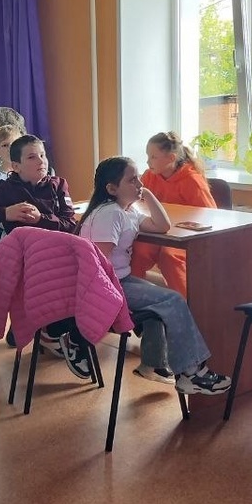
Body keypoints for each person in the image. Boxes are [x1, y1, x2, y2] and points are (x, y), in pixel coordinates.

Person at [77, 157, 232, 395]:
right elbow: (98, 266)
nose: (139, 183)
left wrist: (147, 194)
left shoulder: (127, 211)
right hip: (106, 285)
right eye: (132, 180)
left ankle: (153, 364)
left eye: (139, 178)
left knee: (162, 299)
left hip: (119, 280)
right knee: (173, 300)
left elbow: (162, 226)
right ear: (112, 189)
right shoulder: (110, 214)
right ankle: (192, 373)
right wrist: (111, 296)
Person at [129, 131, 216, 297]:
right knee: (138, 250)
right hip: (159, 234)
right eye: (148, 156)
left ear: (171, 158)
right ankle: (133, 299)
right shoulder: (149, 177)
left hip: (186, 239)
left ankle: (185, 304)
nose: (148, 161)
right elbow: (137, 203)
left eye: (153, 157)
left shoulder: (192, 181)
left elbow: (211, 216)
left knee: (170, 256)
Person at [0, 135, 75, 233]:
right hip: (21, 248)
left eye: (42, 155)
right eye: (31, 157)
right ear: (16, 166)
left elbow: (70, 225)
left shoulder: (59, 185)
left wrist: (41, 218)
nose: (41, 161)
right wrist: (5, 213)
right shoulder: (6, 189)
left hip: (56, 246)